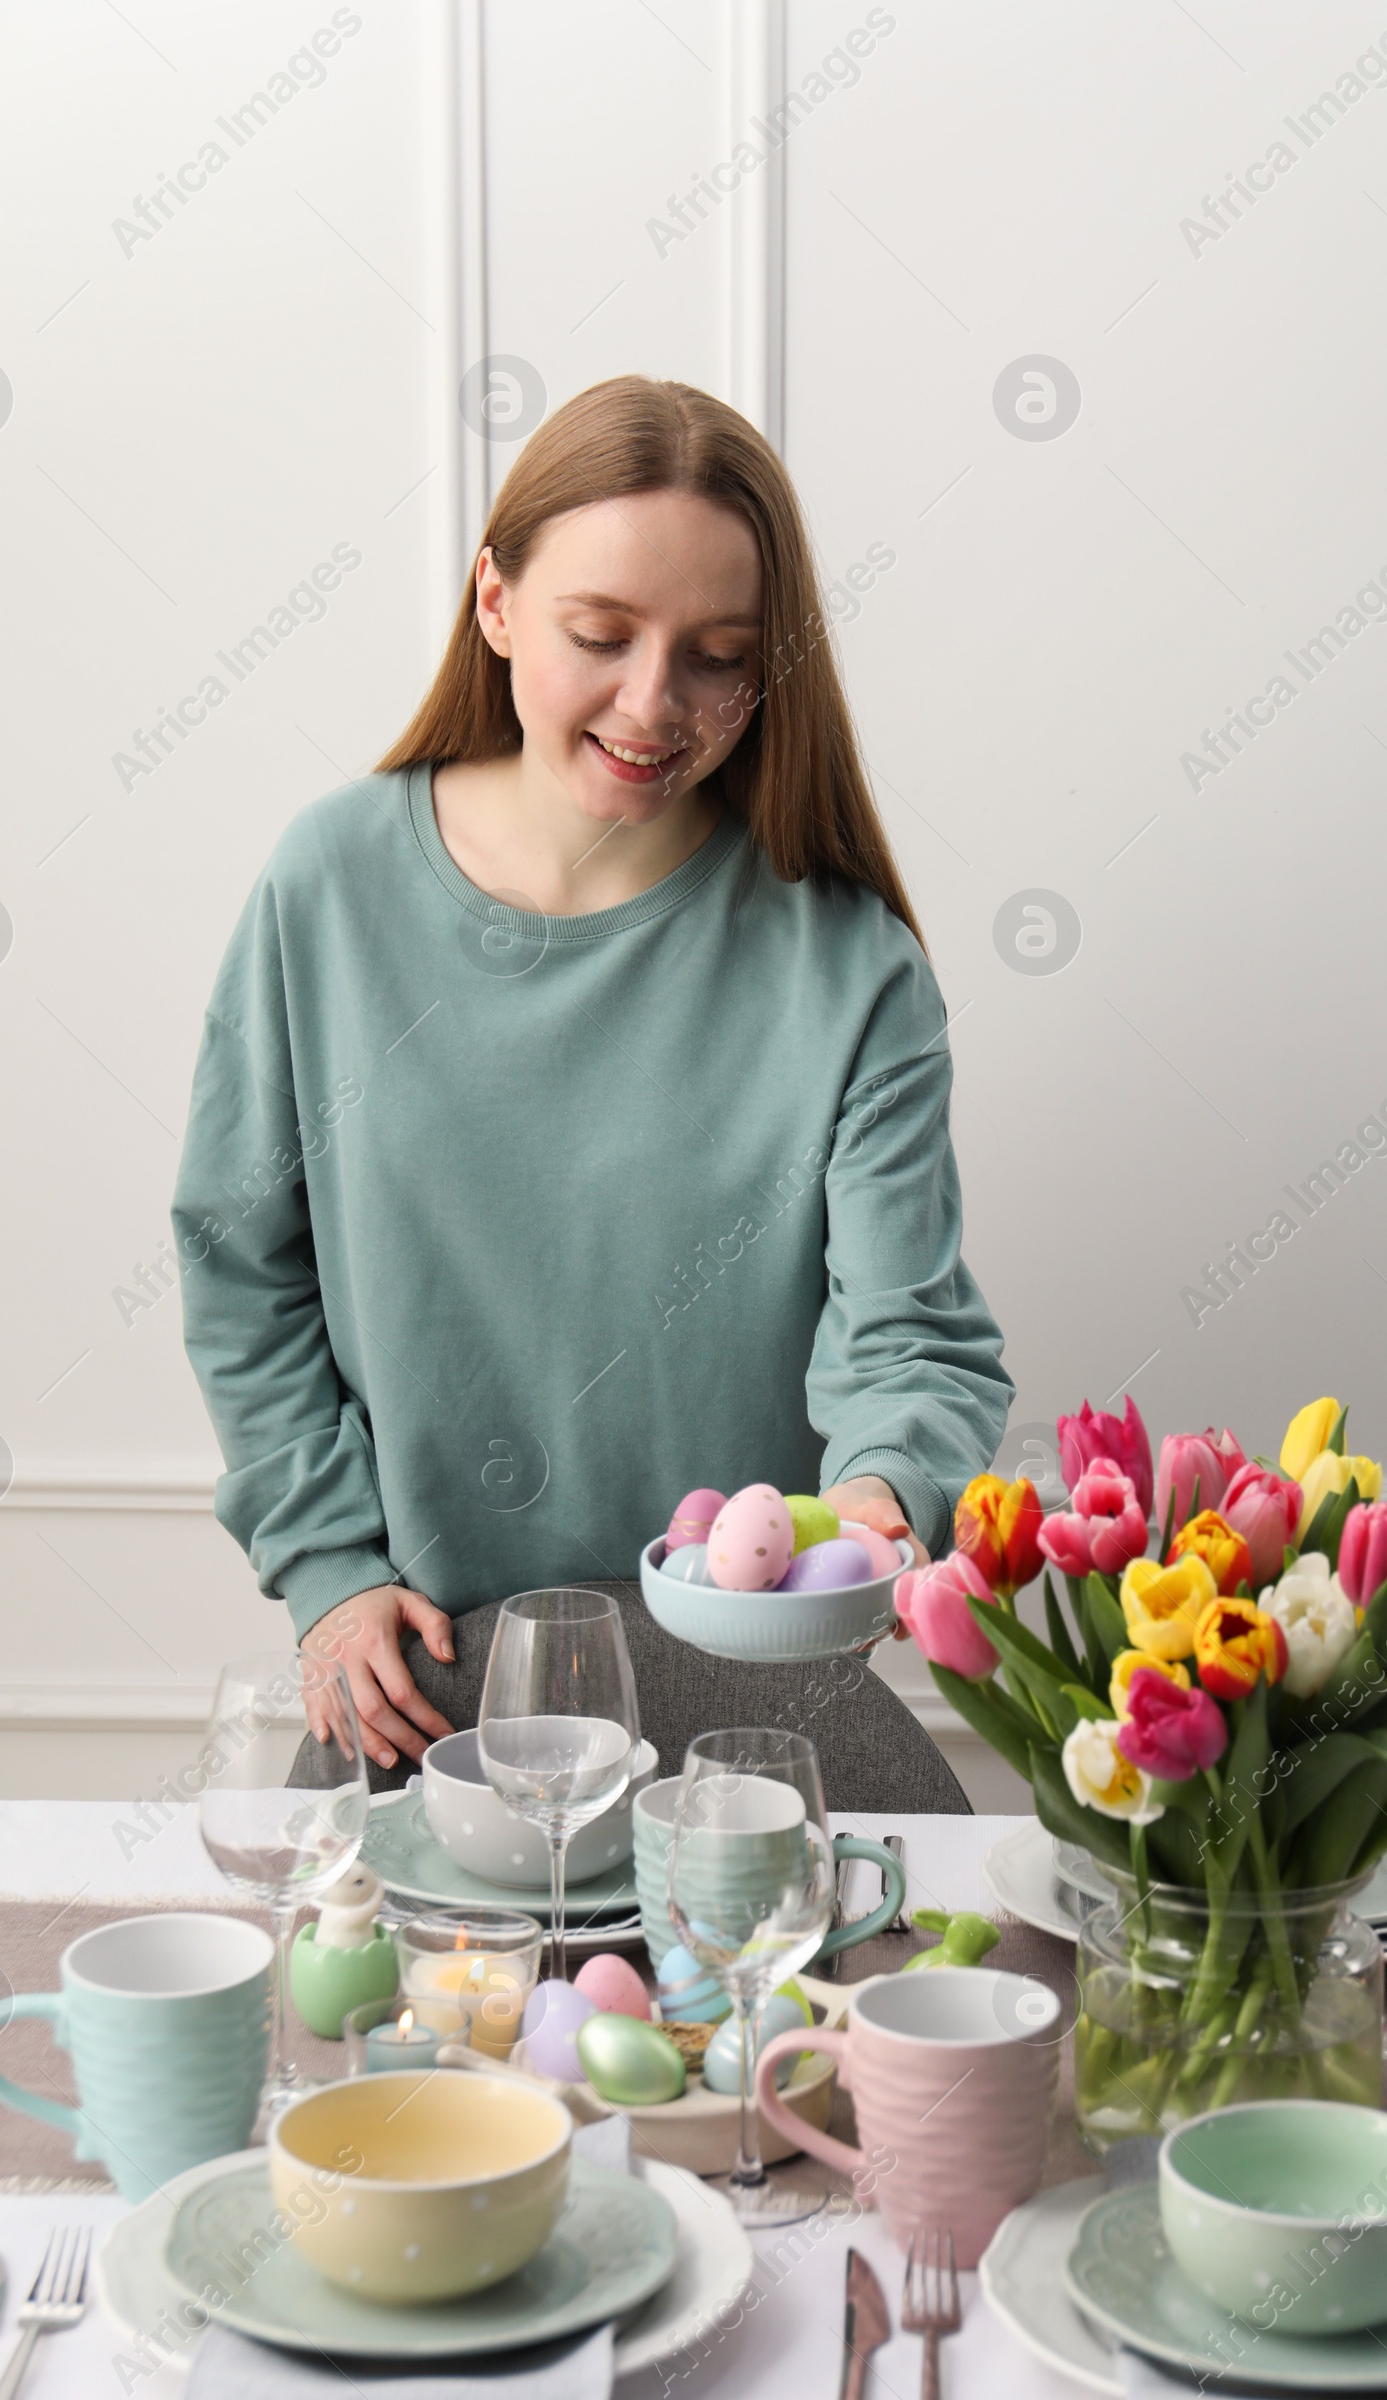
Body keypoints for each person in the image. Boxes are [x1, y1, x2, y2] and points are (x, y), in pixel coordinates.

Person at [172, 374, 1012, 1783]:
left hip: (755, 1702)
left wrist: (873, 1500)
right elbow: (240, 1263)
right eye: (601, 635)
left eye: (717, 655)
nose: (652, 704)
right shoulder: (327, 889)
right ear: (495, 602)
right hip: (424, 1690)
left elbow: (911, 1339)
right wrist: (326, 1569)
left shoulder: (851, 971)